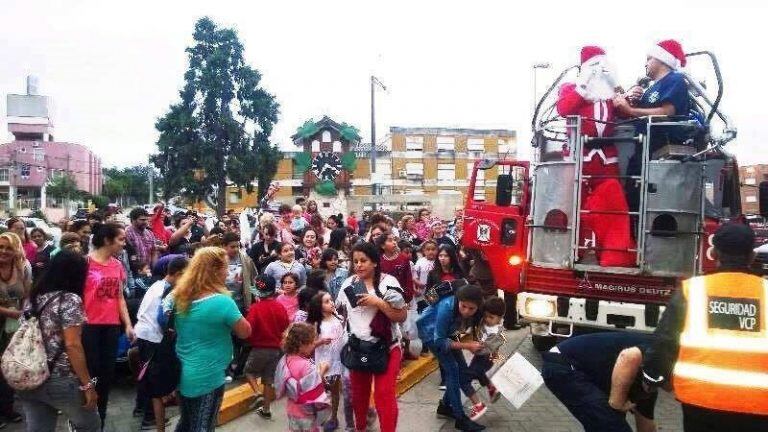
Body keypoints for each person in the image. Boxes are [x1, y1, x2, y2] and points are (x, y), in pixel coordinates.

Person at [642, 223, 768, 431]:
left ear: (715, 253)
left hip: (700, 398)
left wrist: (653, 375)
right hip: (758, 402)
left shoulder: (693, 290)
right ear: (751, 256)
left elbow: (665, 339)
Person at [556, 46, 635, 268]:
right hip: (578, 157)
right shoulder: (572, 88)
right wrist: (584, 85)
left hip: (607, 157)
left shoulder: (610, 93)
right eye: (595, 65)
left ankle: (614, 253)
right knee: (575, 206)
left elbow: (626, 111)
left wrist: (622, 90)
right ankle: (578, 250)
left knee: (613, 207)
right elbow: (564, 108)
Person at [166, 247, 251, 432]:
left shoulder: (178, 296)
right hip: (208, 376)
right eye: (225, 267)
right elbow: (245, 332)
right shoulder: (222, 302)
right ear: (214, 271)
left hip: (182, 372)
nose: (228, 272)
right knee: (202, 427)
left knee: (186, 422)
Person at [16, 250, 101, 432]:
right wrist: (87, 385)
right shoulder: (69, 299)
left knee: (39, 428)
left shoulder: (33, 299)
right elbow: (72, 345)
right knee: (90, 426)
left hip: (29, 375)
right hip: (60, 378)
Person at [336, 242, 407, 432]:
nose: (359, 265)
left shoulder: (388, 282)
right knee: (358, 397)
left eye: (363, 260)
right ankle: (361, 428)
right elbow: (341, 313)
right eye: (355, 261)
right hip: (358, 349)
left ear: (375, 262)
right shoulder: (348, 283)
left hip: (387, 348)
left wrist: (379, 303)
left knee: (384, 396)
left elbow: (401, 316)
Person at [542, 332, 658, 432]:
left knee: (606, 423)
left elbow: (646, 426)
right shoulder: (659, 356)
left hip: (582, 372)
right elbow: (628, 356)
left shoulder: (651, 384)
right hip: (564, 365)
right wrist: (616, 404)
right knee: (613, 426)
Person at [81, 223, 134, 429]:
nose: (124, 243)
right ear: (107, 240)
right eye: (120, 239)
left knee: (106, 376)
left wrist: (128, 325)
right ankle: (84, 416)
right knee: (90, 374)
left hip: (111, 327)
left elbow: (119, 297)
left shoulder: (117, 265)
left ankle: (100, 419)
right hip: (88, 327)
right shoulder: (84, 263)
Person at [417, 282, 486, 431]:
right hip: (431, 335)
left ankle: (445, 407)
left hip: (448, 334)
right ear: (458, 300)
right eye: (463, 306)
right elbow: (440, 341)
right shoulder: (447, 307)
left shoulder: (476, 310)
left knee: (462, 370)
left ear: (478, 307)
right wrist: (468, 346)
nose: (466, 311)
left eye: (471, 308)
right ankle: (460, 418)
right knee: (453, 370)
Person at [134, 256, 188, 431]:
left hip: (145, 337)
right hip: (155, 342)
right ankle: (165, 424)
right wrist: (171, 330)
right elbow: (162, 318)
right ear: (179, 274)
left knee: (152, 385)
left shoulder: (156, 285)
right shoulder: (168, 291)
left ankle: (157, 424)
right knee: (164, 387)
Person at [245, 275, 290, 421]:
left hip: (260, 348)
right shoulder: (280, 307)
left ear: (258, 293)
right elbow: (286, 326)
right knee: (268, 379)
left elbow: (248, 329)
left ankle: (256, 393)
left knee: (249, 371)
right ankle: (266, 409)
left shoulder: (255, 308)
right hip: (277, 350)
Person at [274, 322, 331, 432]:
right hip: (306, 412)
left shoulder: (286, 359)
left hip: (292, 410)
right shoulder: (306, 365)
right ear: (301, 345)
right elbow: (312, 387)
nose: (314, 344)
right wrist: (322, 371)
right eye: (311, 342)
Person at [0, 232, 31, 424]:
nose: (3, 251)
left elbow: (27, 295)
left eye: (8, 247)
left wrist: (22, 312)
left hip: (13, 327)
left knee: (9, 366)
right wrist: (7, 311)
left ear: (16, 249)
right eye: (0, 247)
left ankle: (7, 408)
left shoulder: (23, 267)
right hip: (6, 318)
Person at [307, 291, 349, 432]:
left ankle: (333, 417)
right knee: (319, 392)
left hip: (337, 363)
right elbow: (308, 347)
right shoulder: (316, 324)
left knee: (335, 392)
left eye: (331, 300)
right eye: (326, 301)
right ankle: (316, 416)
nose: (331, 303)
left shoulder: (338, 317)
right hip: (322, 365)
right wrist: (320, 342)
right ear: (319, 307)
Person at [460, 297, 506, 421]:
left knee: (463, 379)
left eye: (491, 317)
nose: (487, 319)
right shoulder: (483, 322)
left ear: (500, 318)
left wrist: (471, 346)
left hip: (486, 359)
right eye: (486, 316)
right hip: (480, 358)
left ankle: (478, 405)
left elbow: (488, 349)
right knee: (479, 373)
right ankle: (491, 388)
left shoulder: (499, 333)